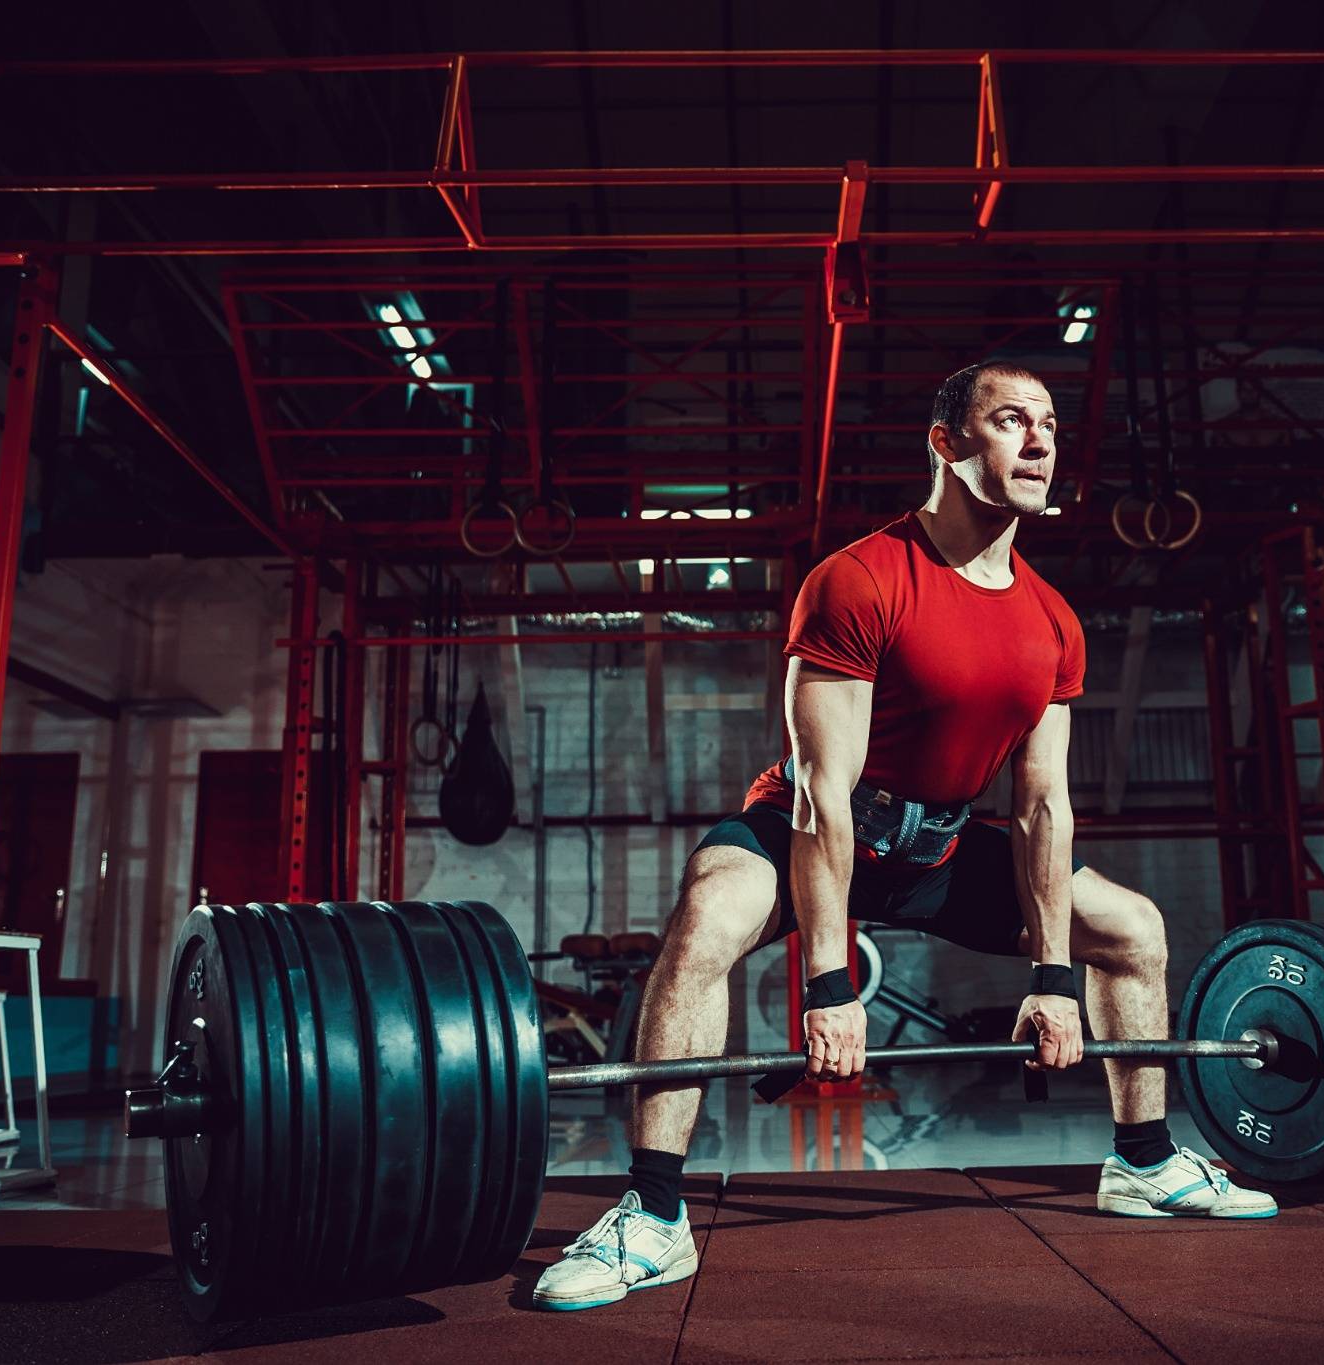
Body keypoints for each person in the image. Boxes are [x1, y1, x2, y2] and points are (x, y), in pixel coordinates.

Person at [533, 361, 1275, 1313]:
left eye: (1050, 423)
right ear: (947, 443)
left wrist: (1053, 981)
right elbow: (822, 797)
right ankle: (653, 1211)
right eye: (1013, 420)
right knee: (708, 916)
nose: (1043, 441)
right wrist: (830, 988)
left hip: (941, 849)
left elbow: (1043, 808)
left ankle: (1142, 1160)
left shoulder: (1052, 620)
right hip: (813, 828)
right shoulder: (858, 579)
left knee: (1132, 930)